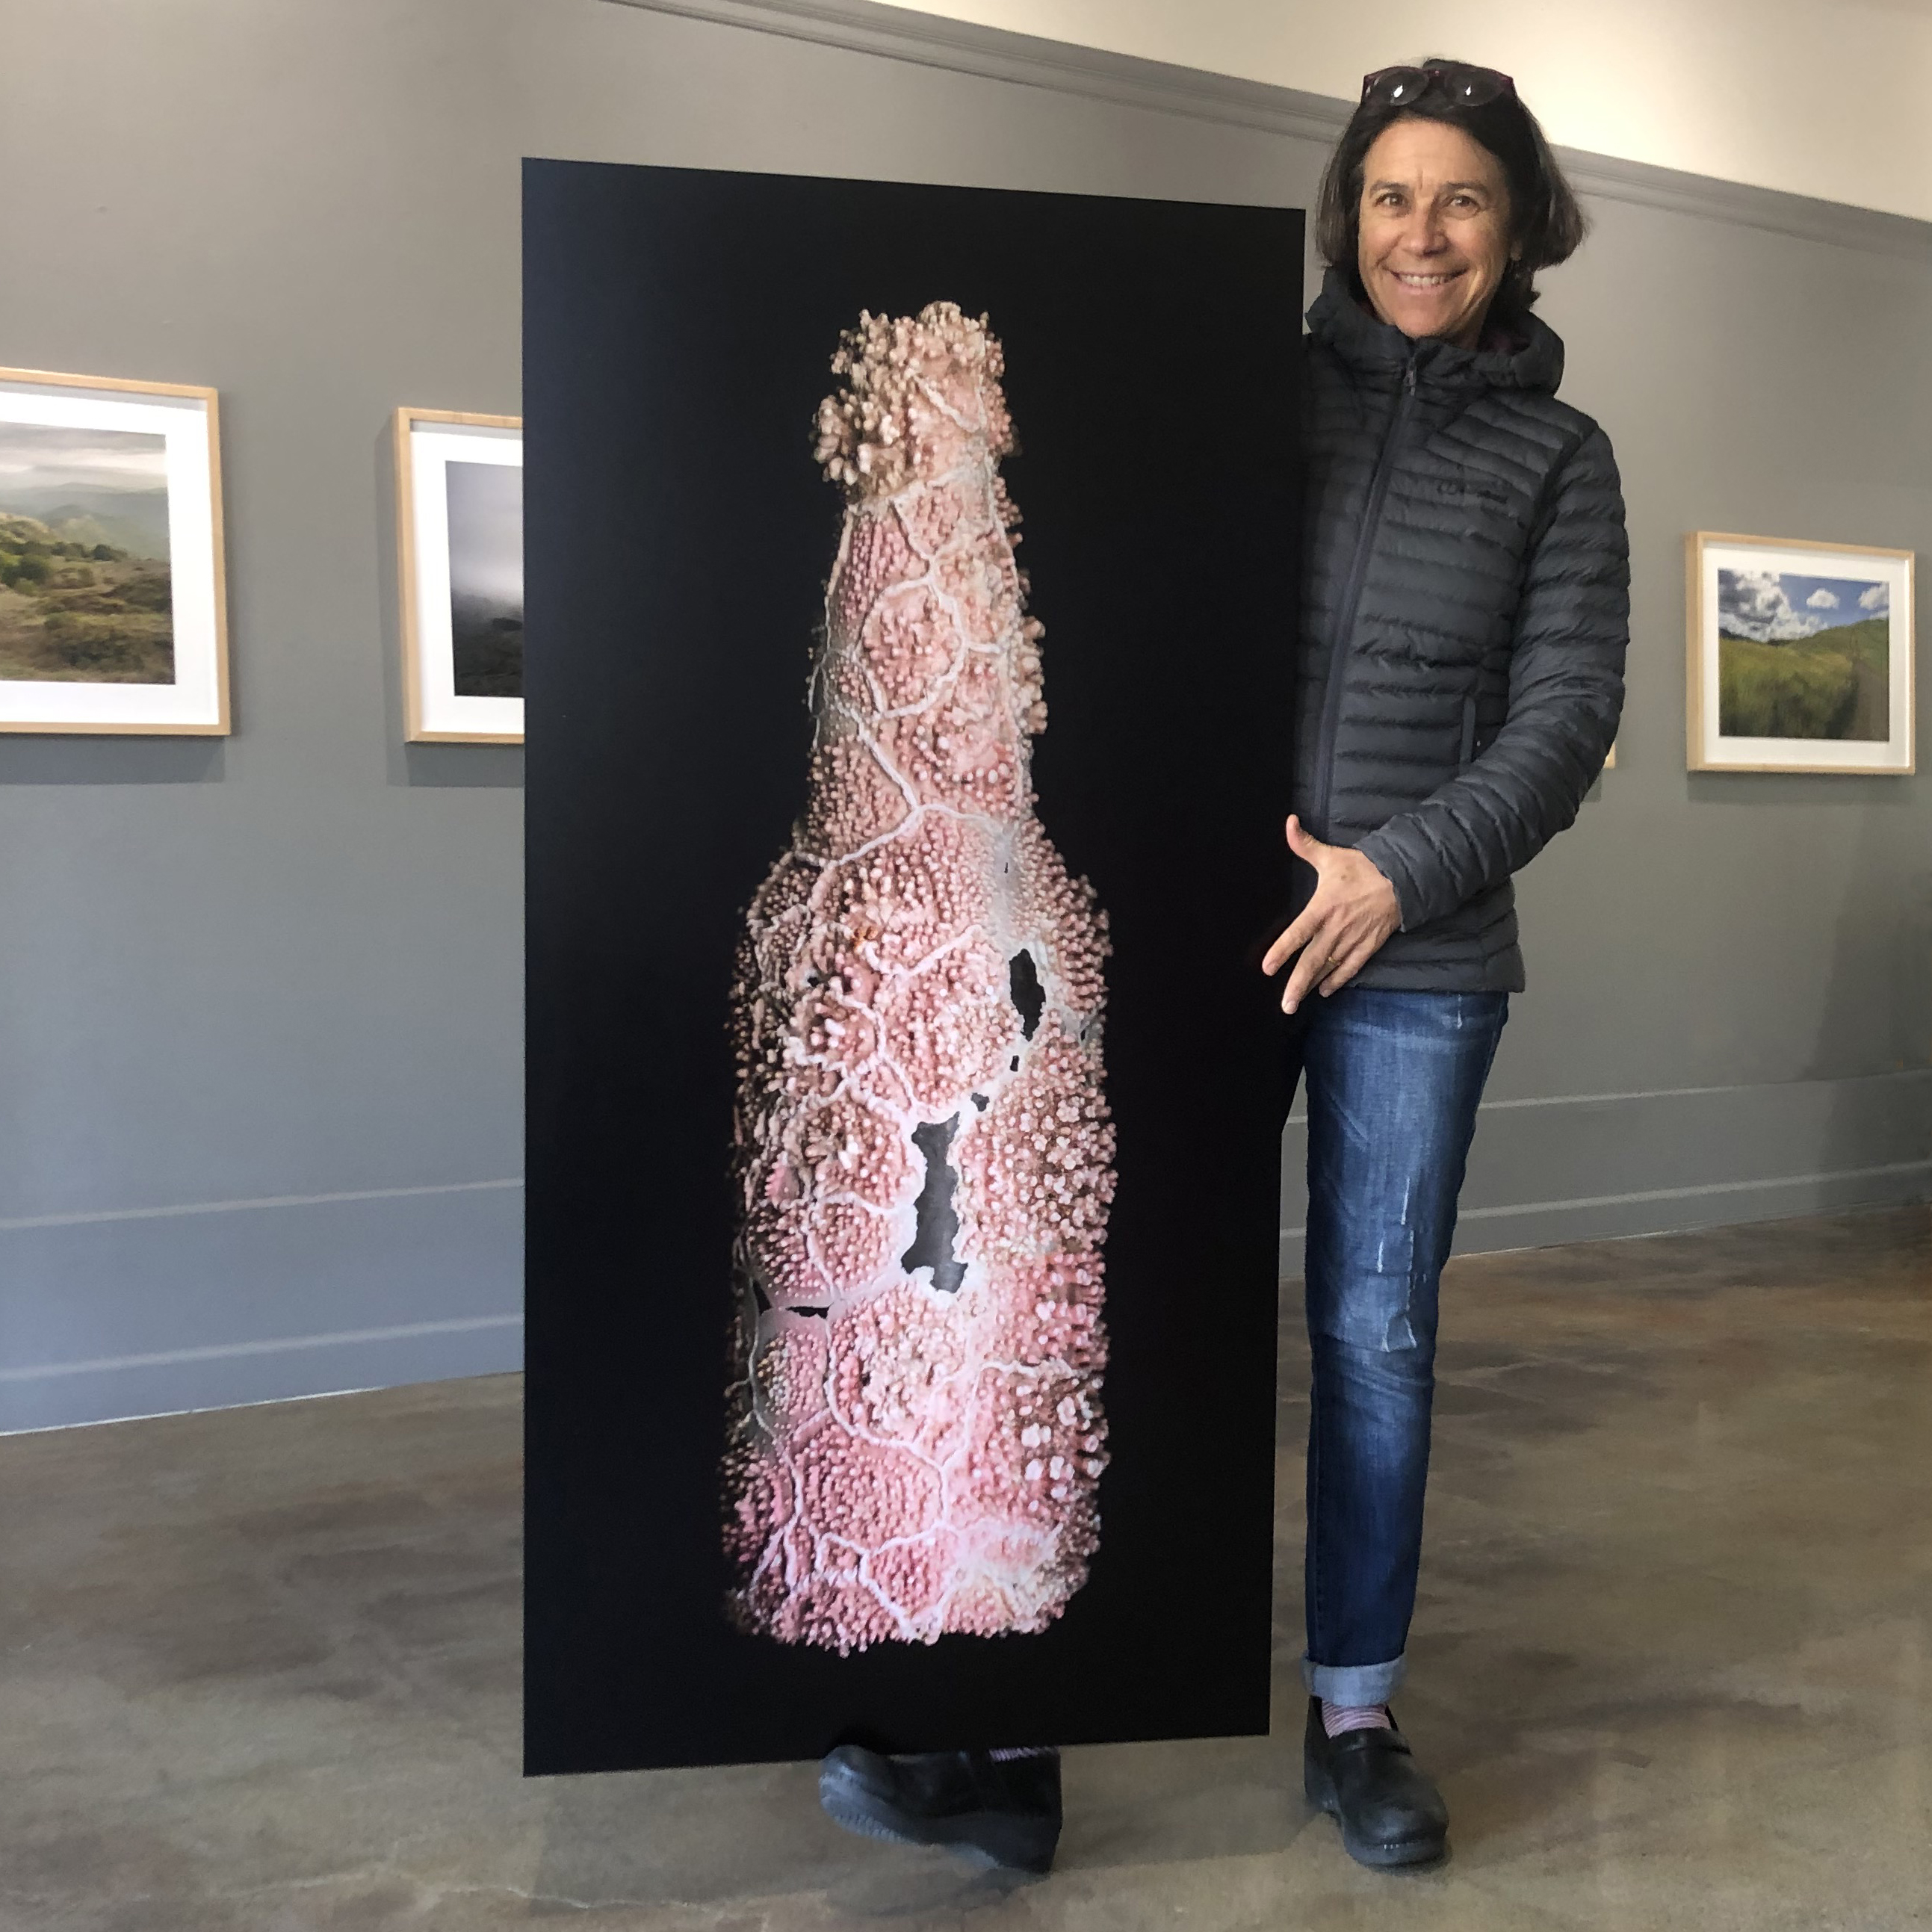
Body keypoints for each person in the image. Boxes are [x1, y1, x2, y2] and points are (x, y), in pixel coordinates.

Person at [817, 56, 1628, 1875]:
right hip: (1205, 925)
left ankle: (1356, 1717)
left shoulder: (1562, 461)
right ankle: (1022, 1738)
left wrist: (1392, 877)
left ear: (1522, 227)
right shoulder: (1242, 395)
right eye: (1393, 195)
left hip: (1422, 960)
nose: (1423, 232)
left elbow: (1568, 720)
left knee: (1375, 1333)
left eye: (1466, 199)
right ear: (1349, 213)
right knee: (1124, 1313)